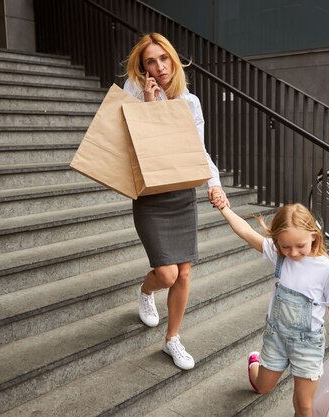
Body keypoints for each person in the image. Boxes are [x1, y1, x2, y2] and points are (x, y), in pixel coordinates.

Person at [122, 33, 229, 370]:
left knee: (183, 274)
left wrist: (216, 185)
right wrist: (152, 107)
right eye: (150, 61)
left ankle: (173, 339)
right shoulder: (134, 96)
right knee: (167, 274)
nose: (159, 66)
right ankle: (145, 289)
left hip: (182, 194)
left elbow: (198, 151)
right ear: (143, 68)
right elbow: (135, 147)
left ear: (173, 59)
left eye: (163, 58)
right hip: (151, 196)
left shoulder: (190, 102)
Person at [216, 202, 329, 417]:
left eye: (300, 245)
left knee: (304, 406)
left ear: (313, 236)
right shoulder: (278, 255)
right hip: (276, 337)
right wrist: (224, 208)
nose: (293, 252)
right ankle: (255, 362)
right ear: (277, 242)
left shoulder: (326, 269)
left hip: (308, 344)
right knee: (263, 387)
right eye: (285, 246)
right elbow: (245, 231)